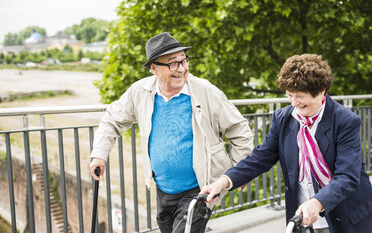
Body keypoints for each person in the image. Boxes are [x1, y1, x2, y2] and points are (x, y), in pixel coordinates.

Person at [89, 32, 253, 233]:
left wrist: (239, 171)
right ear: (154, 68)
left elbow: (239, 128)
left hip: (199, 189)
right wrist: (99, 154)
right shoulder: (140, 92)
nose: (182, 69)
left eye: (184, 61)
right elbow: (111, 120)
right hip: (163, 190)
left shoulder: (204, 90)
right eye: (173, 63)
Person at [201, 54, 372, 233]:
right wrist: (223, 182)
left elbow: (347, 176)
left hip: (345, 214)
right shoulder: (283, 118)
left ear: (322, 91)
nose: (294, 103)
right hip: (302, 215)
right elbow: (261, 157)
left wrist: (317, 202)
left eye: (300, 96)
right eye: (290, 95)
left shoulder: (345, 120)